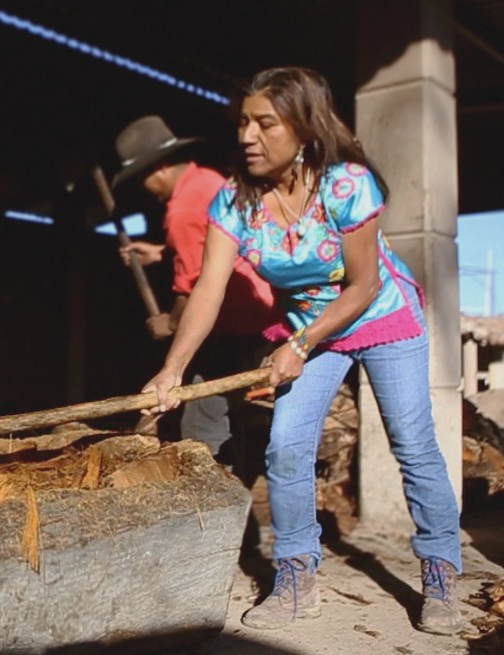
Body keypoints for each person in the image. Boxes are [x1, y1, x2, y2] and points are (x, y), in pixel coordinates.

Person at [141, 67, 462, 634]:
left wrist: (299, 343)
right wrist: (173, 370)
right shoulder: (234, 202)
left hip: (380, 316)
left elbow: (364, 286)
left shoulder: (346, 185)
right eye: (244, 122)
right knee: (286, 447)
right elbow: (208, 290)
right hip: (305, 328)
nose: (248, 136)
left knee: (412, 444)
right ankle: (296, 578)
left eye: (265, 123)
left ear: (304, 128)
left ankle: (441, 573)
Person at [113, 116, 277, 465]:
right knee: (229, 414)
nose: (144, 188)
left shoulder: (184, 210)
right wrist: (161, 252)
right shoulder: (208, 181)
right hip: (260, 314)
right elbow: (209, 245)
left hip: (234, 326)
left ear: (159, 168)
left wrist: (170, 324)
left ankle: (217, 490)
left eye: (143, 178)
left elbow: (194, 285)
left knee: (203, 424)